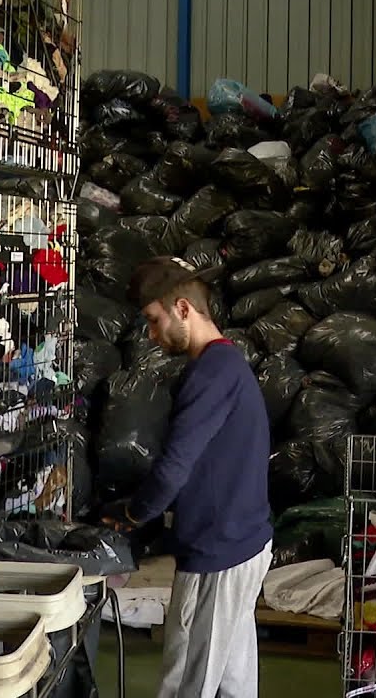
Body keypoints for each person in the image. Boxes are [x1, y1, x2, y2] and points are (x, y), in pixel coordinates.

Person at [101, 256, 273, 698]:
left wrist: (134, 514)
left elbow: (173, 470)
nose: (152, 335)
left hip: (219, 553)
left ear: (182, 309)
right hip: (242, 543)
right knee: (232, 682)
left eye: (154, 321)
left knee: (187, 684)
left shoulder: (211, 374)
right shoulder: (226, 366)